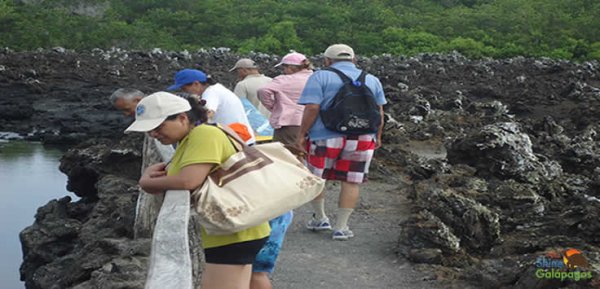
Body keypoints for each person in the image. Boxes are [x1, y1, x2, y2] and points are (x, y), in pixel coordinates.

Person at [127, 91, 271, 289]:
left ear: (182, 118)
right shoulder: (190, 138)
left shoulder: (204, 134)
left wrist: (145, 182)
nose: (153, 134)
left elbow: (189, 180)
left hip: (232, 233)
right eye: (149, 130)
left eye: (158, 127)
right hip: (234, 228)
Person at [296, 44, 386, 241]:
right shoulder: (371, 79)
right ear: (354, 59)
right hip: (363, 137)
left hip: (325, 136)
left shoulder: (320, 76)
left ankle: (320, 218)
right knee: (351, 181)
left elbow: (312, 107)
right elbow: (379, 112)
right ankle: (341, 227)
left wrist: (302, 134)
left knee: (317, 178)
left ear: (327, 61)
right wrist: (377, 136)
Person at [167, 68, 256, 144]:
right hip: (240, 137)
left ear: (196, 84)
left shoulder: (210, 93)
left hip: (238, 140)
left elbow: (208, 113)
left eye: (184, 88)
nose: (185, 92)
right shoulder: (217, 88)